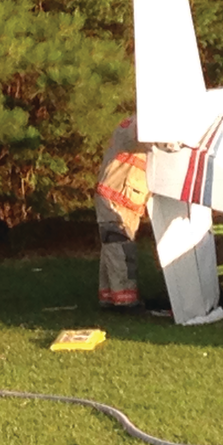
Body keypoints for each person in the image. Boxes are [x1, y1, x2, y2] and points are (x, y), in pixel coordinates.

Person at [95, 115, 151, 311]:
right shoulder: (141, 124)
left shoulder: (131, 122)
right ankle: (126, 301)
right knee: (120, 248)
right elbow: (148, 137)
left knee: (112, 248)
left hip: (117, 194)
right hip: (119, 196)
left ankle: (109, 296)